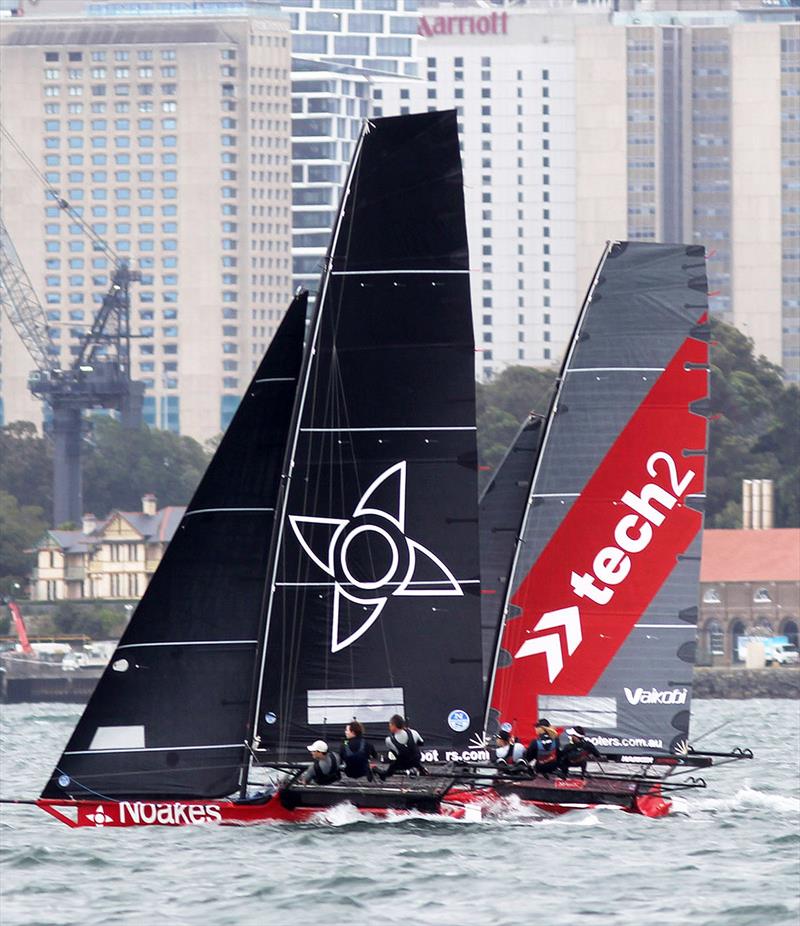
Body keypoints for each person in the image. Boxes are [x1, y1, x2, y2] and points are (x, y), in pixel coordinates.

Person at [378, 714, 426, 780]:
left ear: (394, 726)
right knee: (413, 753)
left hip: (403, 764)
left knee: (393, 765)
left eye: (390, 725)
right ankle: (421, 768)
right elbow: (421, 743)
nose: (389, 727)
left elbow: (396, 754)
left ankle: (383, 776)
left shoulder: (389, 740)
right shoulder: (413, 732)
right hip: (417, 759)